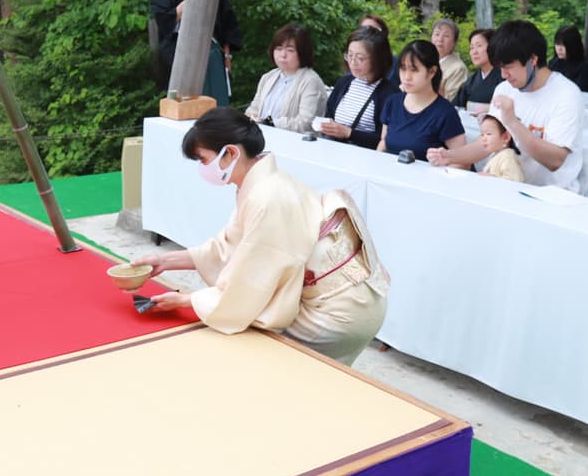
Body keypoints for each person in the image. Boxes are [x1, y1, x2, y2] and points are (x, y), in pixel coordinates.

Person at [136, 108, 390, 364]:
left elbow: (251, 283)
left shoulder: (267, 197)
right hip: (353, 298)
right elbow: (229, 247)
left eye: (203, 159)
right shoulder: (264, 182)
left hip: (336, 311)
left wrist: (188, 300)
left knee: (258, 356)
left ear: (231, 153)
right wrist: (165, 262)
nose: (202, 168)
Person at [427, 19, 585, 189]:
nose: (503, 75)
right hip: (507, 186)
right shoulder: (505, 89)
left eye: (508, 66)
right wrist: (449, 156)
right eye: (499, 67)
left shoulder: (566, 94)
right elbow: (488, 142)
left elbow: (555, 160)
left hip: (551, 194)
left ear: (532, 60)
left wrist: (512, 122)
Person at [150, 0, 243, 104]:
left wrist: (227, 56)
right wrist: (181, 9)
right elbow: (162, 19)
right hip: (181, 52)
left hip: (211, 51)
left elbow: (228, 25)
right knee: (186, 98)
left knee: (216, 97)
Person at [378, 40, 466, 162]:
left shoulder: (445, 113)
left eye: (414, 70)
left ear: (432, 72)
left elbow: (463, 161)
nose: (407, 77)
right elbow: (384, 142)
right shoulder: (393, 102)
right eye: (403, 69)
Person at [320, 26, 397, 149]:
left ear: (377, 59)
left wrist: (349, 133)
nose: (353, 62)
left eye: (360, 58)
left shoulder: (389, 93)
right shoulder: (343, 83)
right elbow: (329, 115)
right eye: (350, 55)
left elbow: (387, 139)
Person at [244, 23, 327, 133]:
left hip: (293, 141)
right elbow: (254, 108)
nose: (283, 55)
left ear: (303, 52)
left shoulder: (311, 81)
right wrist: (249, 118)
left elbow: (306, 123)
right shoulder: (268, 77)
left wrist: (270, 123)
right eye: (279, 48)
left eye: (290, 50)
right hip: (260, 136)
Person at [454, 28, 501, 112]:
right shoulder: (471, 81)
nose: (474, 52)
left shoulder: (504, 77)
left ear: (492, 47)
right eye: (471, 48)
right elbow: (456, 107)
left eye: (479, 46)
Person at [547, 24, 588, 94]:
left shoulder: (586, 68)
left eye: (563, 45)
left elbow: (577, 92)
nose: (559, 48)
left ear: (573, 45)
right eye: (557, 44)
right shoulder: (553, 63)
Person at [475, 115, 524, 181]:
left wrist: (493, 178)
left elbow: (515, 180)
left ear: (506, 137)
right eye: (482, 134)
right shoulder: (497, 155)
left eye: (488, 134)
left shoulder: (508, 156)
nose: (483, 138)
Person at [430, 18, 468, 100]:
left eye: (446, 36)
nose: (440, 39)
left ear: (454, 42)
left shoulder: (458, 68)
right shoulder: (423, 60)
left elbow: (452, 100)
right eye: (437, 34)